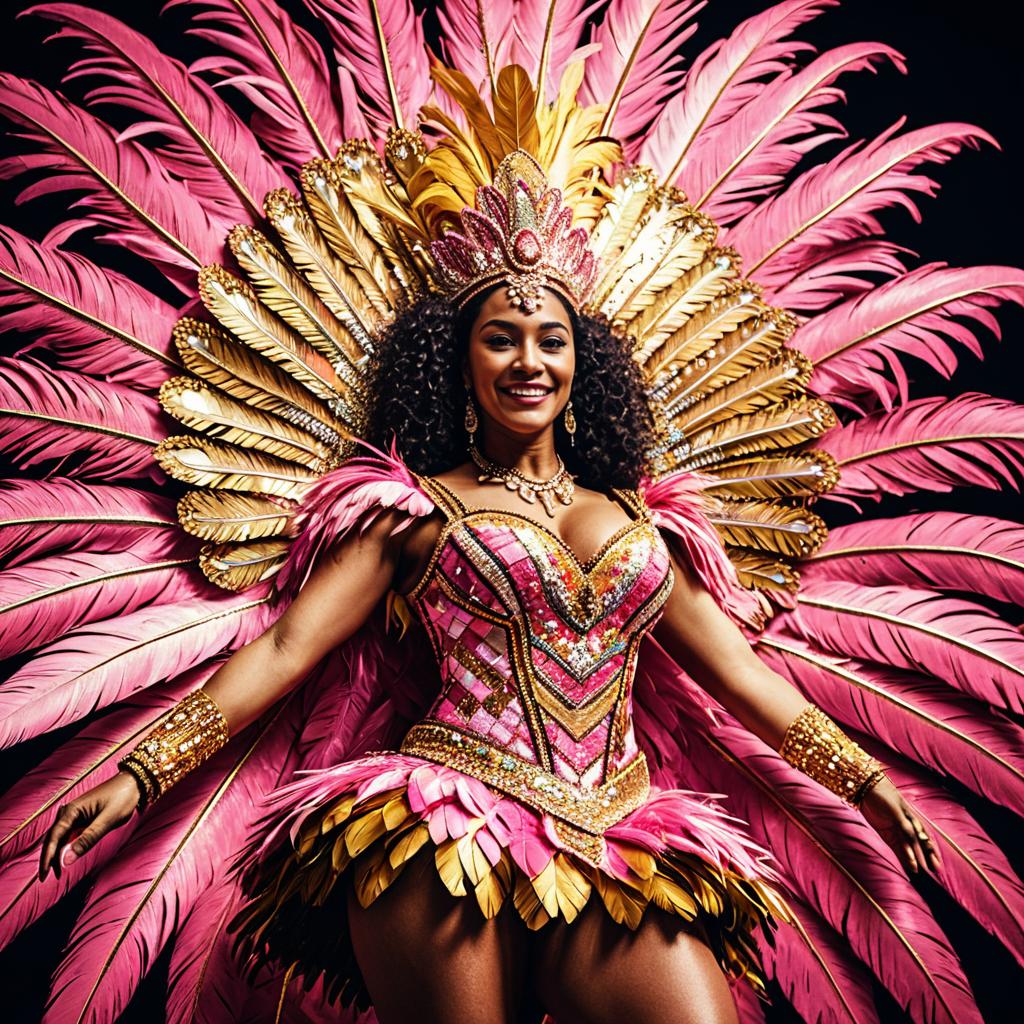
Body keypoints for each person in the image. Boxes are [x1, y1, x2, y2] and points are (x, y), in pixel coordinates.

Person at [37, 258, 938, 1023]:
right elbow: (283, 652)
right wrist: (140, 772)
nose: (528, 360)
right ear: (459, 363)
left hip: (619, 835)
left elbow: (740, 675)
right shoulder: (412, 512)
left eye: (551, 339)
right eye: (500, 337)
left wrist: (866, 781)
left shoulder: (646, 525)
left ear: (584, 363)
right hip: (442, 829)